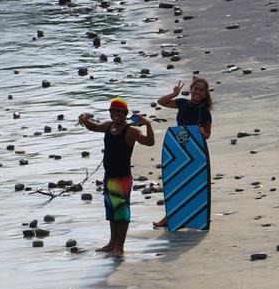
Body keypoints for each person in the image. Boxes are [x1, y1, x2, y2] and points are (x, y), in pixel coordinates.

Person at [77, 97, 155, 258]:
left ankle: (120, 247)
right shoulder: (108, 126)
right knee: (112, 212)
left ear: (125, 114)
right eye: (112, 111)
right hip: (109, 177)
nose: (115, 114)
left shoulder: (131, 131)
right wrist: (84, 118)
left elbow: (150, 142)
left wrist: (147, 124)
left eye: (119, 112)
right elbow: (94, 126)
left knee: (122, 213)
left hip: (122, 178)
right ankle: (112, 243)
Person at [153, 77, 213, 230]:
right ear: (191, 89)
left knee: (194, 183)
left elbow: (207, 135)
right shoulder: (182, 103)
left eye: (201, 90)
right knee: (176, 183)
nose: (197, 92)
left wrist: (201, 132)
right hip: (178, 149)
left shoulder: (205, 112)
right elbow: (161, 102)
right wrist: (174, 94)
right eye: (196, 89)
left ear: (205, 94)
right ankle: (171, 216)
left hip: (195, 151)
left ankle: (195, 216)